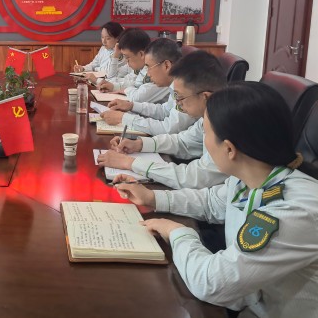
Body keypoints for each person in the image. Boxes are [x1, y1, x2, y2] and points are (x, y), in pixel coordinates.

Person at [113, 82, 318, 317]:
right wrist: (153, 197)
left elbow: (210, 282)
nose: (204, 140)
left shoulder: (292, 211)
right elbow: (212, 202)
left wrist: (177, 232)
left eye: (206, 133)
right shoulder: (251, 176)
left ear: (229, 149)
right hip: (250, 301)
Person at [98, 50, 228, 189]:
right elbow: (183, 141)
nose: (177, 104)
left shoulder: (226, 125)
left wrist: (130, 163)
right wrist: (139, 144)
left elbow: (195, 178)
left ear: (205, 97)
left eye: (180, 97)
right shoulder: (208, 115)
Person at [100, 38, 195, 135]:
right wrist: (131, 106)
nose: (148, 74)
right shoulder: (175, 83)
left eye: (149, 67)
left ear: (166, 65)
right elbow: (164, 111)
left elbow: (169, 129)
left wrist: (123, 118)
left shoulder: (187, 88)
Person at [99, 28, 170, 104]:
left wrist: (125, 90)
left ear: (141, 54)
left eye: (127, 57)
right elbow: (135, 85)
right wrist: (114, 87)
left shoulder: (158, 70)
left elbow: (138, 97)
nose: (126, 61)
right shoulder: (141, 67)